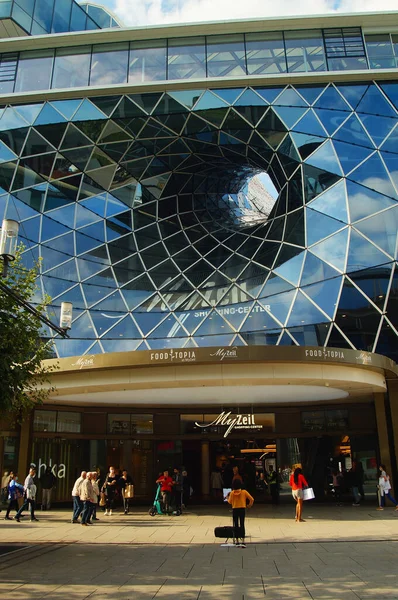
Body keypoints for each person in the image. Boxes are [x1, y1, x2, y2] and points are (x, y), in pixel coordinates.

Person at [227, 479, 254, 548]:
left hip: (235, 509)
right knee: (242, 524)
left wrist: (227, 498)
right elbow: (252, 499)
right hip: (242, 509)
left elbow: (230, 502)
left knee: (236, 524)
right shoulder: (244, 492)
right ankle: (243, 540)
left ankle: (237, 540)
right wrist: (249, 505)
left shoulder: (232, 493)